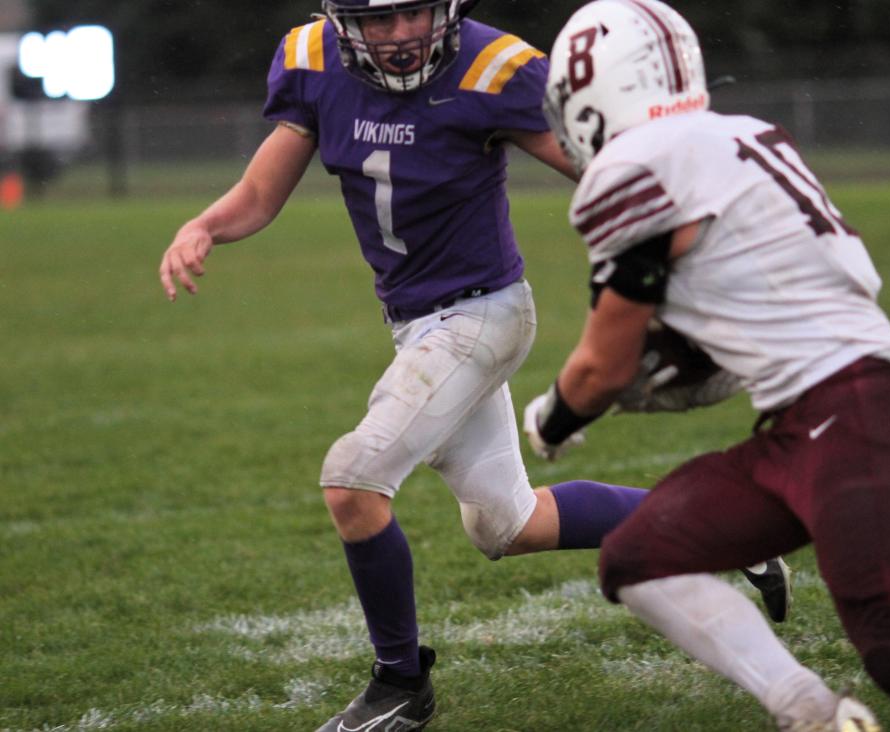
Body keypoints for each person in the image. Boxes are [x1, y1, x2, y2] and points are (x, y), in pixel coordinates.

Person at [158, 1, 788, 730]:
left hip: (483, 312)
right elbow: (261, 194)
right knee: (507, 526)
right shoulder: (311, 59)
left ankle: (400, 687)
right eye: (378, 20)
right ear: (342, 22)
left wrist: (690, 249)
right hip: (414, 322)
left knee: (352, 479)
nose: (399, 36)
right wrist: (204, 225)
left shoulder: (493, 69)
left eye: (413, 15)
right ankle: (730, 528)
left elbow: (604, 174)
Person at [524, 1, 890, 730]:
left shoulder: (638, 162)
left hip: (852, 410)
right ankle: (809, 712)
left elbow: (602, 364)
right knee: (639, 555)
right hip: (819, 416)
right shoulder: (742, 133)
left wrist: (555, 418)